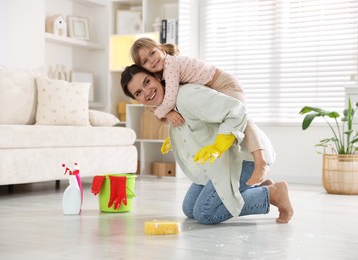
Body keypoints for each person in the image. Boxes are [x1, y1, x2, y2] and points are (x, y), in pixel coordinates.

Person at [120, 64, 293, 224]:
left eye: (147, 81)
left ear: (158, 77)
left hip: (242, 158)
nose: (147, 91)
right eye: (138, 93)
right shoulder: (169, 106)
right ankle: (260, 187)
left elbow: (237, 112)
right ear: (137, 100)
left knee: (205, 212)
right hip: (220, 163)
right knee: (189, 209)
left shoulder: (187, 96)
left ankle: (273, 194)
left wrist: (220, 144)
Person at [130, 37, 270, 186]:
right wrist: (169, 113)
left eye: (152, 53)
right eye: (145, 61)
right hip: (213, 88)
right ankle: (264, 186)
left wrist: (160, 113)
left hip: (225, 84)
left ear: (162, 50)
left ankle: (261, 161)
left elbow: (170, 99)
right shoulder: (162, 74)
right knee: (221, 127)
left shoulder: (171, 65)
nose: (151, 60)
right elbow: (171, 102)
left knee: (241, 118)